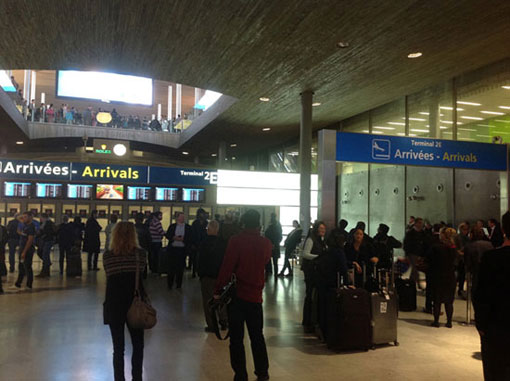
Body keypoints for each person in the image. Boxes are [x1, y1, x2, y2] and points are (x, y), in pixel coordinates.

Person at [214, 209, 272, 381]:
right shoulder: (266, 243)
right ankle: (262, 372)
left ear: (243, 223)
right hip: (256, 297)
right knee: (257, 337)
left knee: (237, 339)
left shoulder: (236, 241)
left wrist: (218, 291)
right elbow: (265, 261)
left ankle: (240, 374)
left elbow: (227, 267)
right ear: (259, 223)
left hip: (238, 296)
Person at [103, 222, 147, 381]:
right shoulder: (141, 255)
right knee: (138, 345)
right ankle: (137, 378)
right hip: (135, 304)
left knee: (118, 348)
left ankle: (119, 378)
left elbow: (109, 275)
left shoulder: (107, 256)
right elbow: (141, 274)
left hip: (114, 304)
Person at [474, 211, 510, 380]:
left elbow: (480, 294)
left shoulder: (491, 258)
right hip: (496, 326)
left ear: (503, 229)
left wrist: (481, 325)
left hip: (496, 328)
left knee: (496, 373)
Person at [197, 220, 228, 332]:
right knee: (222, 298)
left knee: (208, 301)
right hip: (221, 275)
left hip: (207, 276)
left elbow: (199, 260)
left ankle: (211, 325)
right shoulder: (223, 243)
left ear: (209, 230)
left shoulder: (204, 243)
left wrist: (200, 273)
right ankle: (224, 321)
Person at [427, 227, 458, 328]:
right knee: (449, 301)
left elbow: (429, 260)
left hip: (438, 276)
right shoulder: (453, 248)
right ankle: (449, 322)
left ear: (442, 235)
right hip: (450, 276)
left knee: (437, 300)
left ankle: (436, 321)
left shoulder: (436, 247)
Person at [301, 221, 327, 333]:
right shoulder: (311, 239)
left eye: (324, 229)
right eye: (321, 228)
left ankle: (313, 319)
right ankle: (307, 320)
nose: (323, 230)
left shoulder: (321, 240)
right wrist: (319, 257)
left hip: (317, 270)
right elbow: (305, 254)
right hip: (310, 270)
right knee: (309, 294)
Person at [465, 226, 492, 303]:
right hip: (488, 272)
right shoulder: (489, 244)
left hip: (476, 273)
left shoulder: (469, 246)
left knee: (476, 294)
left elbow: (468, 263)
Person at [10, 212, 36, 291]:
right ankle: (18, 284)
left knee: (27, 267)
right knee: (21, 267)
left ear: (30, 218)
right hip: (22, 248)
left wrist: (24, 251)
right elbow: (18, 218)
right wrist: (22, 217)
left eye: (25, 217)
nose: (23, 218)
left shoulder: (31, 227)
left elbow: (30, 240)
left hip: (27, 249)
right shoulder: (25, 226)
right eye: (23, 217)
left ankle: (29, 285)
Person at [165, 212, 192, 289]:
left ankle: (178, 284)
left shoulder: (188, 227)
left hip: (182, 250)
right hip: (173, 249)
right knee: (171, 267)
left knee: (180, 268)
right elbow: (168, 235)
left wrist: (183, 239)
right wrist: (174, 238)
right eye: (181, 217)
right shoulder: (172, 226)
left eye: (183, 217)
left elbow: (190, 237)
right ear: (177, 218)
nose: (183, 218)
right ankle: (170, 284)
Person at [403, 217, 428, 285]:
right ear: (416, 223)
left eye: (421, 223)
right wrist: (407, 254)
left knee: (415, 269)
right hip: (412, 253)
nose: (421, 224)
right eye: (419, 223)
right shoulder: (410, 233)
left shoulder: (423, 233)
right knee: (414, 269)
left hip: (421, 253)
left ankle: (412, 282)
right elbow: (406, 244)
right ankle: (417, 283)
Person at [36, 213, 57, 278]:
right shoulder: (45, 223)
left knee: (45, 254)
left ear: (44, 218)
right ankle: (47, 267)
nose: (40, 219)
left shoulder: (48, 223)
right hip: (46, 240)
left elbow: (48, 232)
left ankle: (45, 268)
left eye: (41, 218)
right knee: (43, 253)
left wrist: (40, 234)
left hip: (48, 240)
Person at [191, 208, 208, 278]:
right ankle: (194, 271)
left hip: (203, 243)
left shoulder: (205, 223)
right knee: (194, 258)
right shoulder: (196, 223)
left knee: (202, 258)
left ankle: (200, 272)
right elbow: (192, 233)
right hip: (196, 243)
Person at [264, 213, 283, 277]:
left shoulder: (269, 226)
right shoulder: (278, 225)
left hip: (269, 245)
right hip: (276, 245)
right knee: (275, 262)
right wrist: (276, 243)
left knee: (268, 259)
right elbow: (280, 236)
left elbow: (266, 235)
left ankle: (269, 272)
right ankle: (276, 273)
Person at [456, 222, 470, 298]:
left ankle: (461, 289)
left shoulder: (466, 238)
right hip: (460, 258)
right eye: (464, 229)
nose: (466, 231)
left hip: (464, 257)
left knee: (462, 275)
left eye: (467, 229)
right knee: (461, 275)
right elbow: (458, 248)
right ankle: (460, 289)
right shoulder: (458, 237)